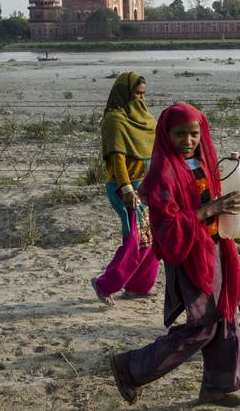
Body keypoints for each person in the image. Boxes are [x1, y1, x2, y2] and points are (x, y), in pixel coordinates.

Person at [110, 102, 240, 407]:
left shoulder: (205, 161)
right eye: (180, 134)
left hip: (215, 248)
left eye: (193, 134)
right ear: (166, 134)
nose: (187, 141)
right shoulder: (163, 172)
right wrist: (210, 209)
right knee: (203, 325)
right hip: (190, 255)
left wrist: (227, 200)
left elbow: (214, 198)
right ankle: (131, 367)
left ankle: (220, 386)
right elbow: (166, 223)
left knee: (226, 314)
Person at [91, 72, 159, 306]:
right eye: (136, 94)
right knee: (134, 238)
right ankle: (105, 284)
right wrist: (128, 189)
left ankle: (138, 286)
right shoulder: (114, 120)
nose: (140, 99)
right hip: (125, 187)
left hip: (145, 185)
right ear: (124, 93)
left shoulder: (144, 119)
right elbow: (117, 159)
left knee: (150, 238)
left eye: (143, 94)